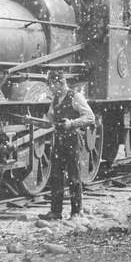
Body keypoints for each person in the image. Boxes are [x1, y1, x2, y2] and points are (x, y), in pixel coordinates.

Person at [43, 69, 96, 220]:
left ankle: (76, 212)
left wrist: (72, 123)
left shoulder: (76, 96)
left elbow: (90, 117)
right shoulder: (55, 99)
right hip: (59, 140)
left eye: (50, 84)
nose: (49, 88)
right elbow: (50, 119)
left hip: (73, 139)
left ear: (59, 83)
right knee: (56, 176)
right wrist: (37, 122)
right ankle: (56, 212)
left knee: (74, 177)